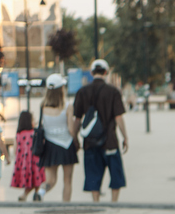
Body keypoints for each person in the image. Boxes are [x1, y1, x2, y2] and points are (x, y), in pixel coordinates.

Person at [71, 59, 129, 202]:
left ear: (91, 73)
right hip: (110, 140)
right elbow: (118, 117)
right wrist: (125, 137)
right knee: (116, 173)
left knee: (92, 174)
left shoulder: (82, 92)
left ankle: (96, 201)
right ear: (106, 72)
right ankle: (114, 202)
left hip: (90, 141)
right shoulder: (113, 92)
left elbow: (77, 119)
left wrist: (75, 139)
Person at [36, 74, 78, 202]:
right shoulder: (67, 106)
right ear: (61, 89)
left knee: (51, 180)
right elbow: (71, 129)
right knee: (67, 180)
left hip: (50, 146)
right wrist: (76, 141)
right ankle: (65, 205)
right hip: (66, 145)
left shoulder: (43, 106)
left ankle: (41, 191)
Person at [10, 111, 45, 201]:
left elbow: (15, 150)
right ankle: (33, 195)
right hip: (36, 160)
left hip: (24, 162)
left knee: (32, 179)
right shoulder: (34, 133)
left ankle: (28, 195)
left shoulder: (18, 134)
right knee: (37, 179)